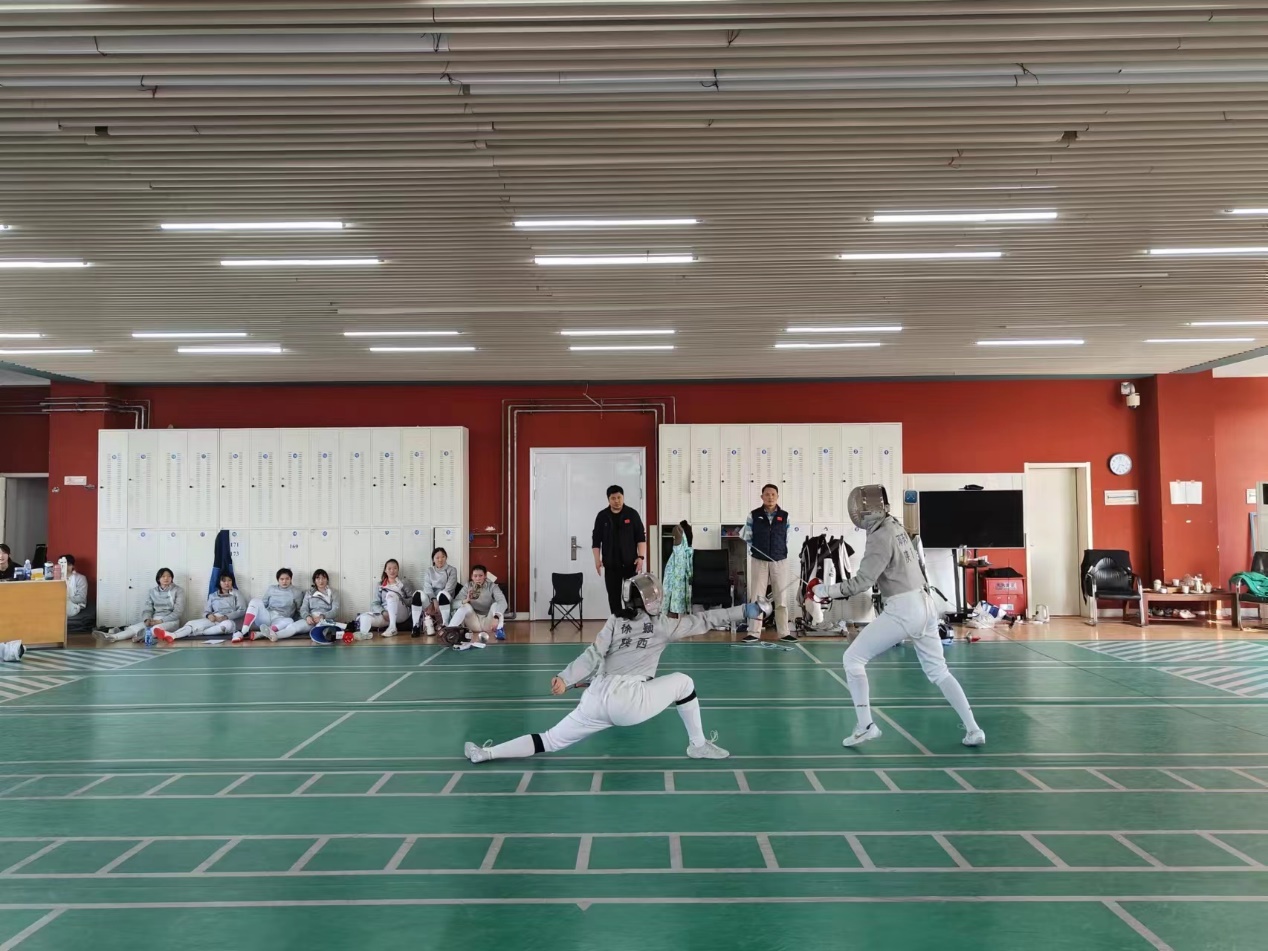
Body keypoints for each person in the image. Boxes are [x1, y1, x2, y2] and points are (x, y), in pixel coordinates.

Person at [464, 573, 771, 764]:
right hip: (629, 702)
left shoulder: (615, 620)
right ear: (653, 600)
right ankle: (698, 745)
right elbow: (705, 620)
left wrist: (565, 678)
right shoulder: (663, 625)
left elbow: (593, 655)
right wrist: (747, 610)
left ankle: (487, 753)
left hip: (596, 699)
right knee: (684, 683)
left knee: (549, 739)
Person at [805, 485, 985, 748]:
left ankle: (865, 726)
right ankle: (974, 729)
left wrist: (824, 590)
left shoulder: (880, 536)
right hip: (926, 604)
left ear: (868, 510)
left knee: (853, 659)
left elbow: (863, 582)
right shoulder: (895, 526)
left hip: (905, 608)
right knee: (939, 671)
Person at [742, 483, 795, 644]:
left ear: (777, 497)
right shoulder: (754, 515)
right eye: (767, 494)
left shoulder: (785, 516)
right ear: (762, 497)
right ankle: (753, 632)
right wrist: (758, 551)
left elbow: (786, 538)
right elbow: (748, 537)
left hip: (779, 561)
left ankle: (784, 633)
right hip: (759, 560)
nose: (770, 497)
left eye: (773, 494)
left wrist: (777, 553)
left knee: (781, 597)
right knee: (756, 597)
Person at [591, 484, 647, 615]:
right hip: (611, 565)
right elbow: (596, 541)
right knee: (613, 597)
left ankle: (632, 621)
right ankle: (618, 622)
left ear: (623, 497)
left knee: (632, 597)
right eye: (613, 498)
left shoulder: (632, 514)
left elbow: (640, 538)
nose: (616, 501)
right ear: (608, 499)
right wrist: (597, 560)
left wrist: (641, 557)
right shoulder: (602, 516)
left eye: (619, 497)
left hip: (630, 564)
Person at [94, 567, 185, 643]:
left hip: (171, 621)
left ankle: (142, 637)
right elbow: (148, 609)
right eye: (163, 576)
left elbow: (178, 612)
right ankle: (113, 637)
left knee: (156, 629)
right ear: (158, 579)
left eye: (169, 576)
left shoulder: (178, 590)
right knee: (136, 627)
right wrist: (147, 619)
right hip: (154, 619)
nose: (166, 578)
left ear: (172, 578)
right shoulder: (152, 591)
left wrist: (160, 621)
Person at [161, 572, 246, 643]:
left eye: (229, 580)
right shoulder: (213, 596)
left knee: (226, 625)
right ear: (219, 582)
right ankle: (172, 635)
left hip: (229, 620)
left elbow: (242, 610)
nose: (227, 583)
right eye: (224, 581)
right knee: (191, 623)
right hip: (215, 619)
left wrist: (226, 617)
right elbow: (206, 611)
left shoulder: (237, 594)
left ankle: (199, 632)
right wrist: (209, 615)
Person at [236, 568, 304, 643]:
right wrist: (259, 612)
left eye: (287, 579)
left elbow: (299, 609)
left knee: (290, 621)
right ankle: (244, 631)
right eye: (282, 579)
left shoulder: (296, 592)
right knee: (255, 601)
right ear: (278, 579)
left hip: (281, 619)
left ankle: (261, 634)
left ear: (291, 579)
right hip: (267, 616)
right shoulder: (271, 589)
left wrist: (303, 620)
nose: (284, 581)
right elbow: (263, 604)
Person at [273, 568, 342, 641]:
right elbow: (303, 608)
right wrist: (307, 617)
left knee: (324, 634)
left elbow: (335, 610)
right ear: (314, 581)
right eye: (318, 578)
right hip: (311, 619)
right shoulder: (309, 593)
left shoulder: (334, 592)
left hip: (325, 620)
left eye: (323, 578)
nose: (321, 581)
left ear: (327, 580)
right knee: (294, 627)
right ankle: (275, 635)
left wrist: (322, 616)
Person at [353, 559, 413, 639]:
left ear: (398, 570)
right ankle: (364, 635)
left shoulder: (404, 582)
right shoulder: (380, 585)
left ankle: (392, 628)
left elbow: (413, 599)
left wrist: (400, 599)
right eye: (389, 568)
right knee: (364, 616)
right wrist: (383, 612)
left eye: (395, 568)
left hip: (401, 613)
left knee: (391, 595)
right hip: (386, 615)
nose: (392, 571)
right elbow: (375, 603)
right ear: (385, 570)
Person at [446, 565, 507, 643]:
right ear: (472, 577)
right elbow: (453, 604)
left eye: (480, 576)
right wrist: (466, 600)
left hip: (489, 622)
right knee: (465, 606)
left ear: (485, 576)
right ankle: (449, 632)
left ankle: (499, 630)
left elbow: (503, 602)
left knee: (495, 605)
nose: (478, 578)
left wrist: (496, 617)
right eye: (475, 576)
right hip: (474, 622)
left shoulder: (492, 586)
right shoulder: (468, 586)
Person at [412, 547, 459, 637]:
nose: (440, 560)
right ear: (433, 559)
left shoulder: (452, 570)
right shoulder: (429, 571)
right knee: (417, 594)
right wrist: (434, 600)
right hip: (431, 601)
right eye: (437, 557)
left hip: (445, 600)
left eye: (443, 557)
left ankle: (445, 625)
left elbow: (449, 588)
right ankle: (415, 626)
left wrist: (437, 600)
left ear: (446, 557)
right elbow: (427, 587)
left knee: (442, 594)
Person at [663, 521, 694, 616]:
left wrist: (680, 526)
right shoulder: (689, 548)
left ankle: (672, 614)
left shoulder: (679, 542)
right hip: (683, 576)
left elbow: (676, 529)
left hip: (676, 576)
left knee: (672, 594)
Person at [61, 554, 95, 634]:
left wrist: (66, 598)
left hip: (74, 604)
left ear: (72, 566)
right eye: (63, 564)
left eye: (68, 565)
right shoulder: (56, 578)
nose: (65, 567)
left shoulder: (80, 578)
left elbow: (81, 598)